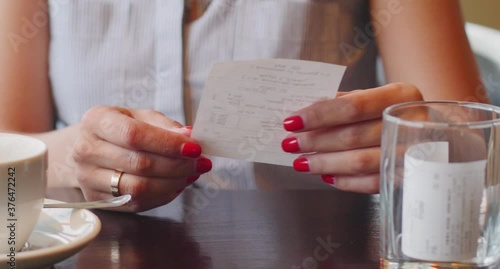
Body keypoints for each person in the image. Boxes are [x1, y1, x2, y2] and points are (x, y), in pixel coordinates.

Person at [0, 0, 487, 212]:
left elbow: (474, 137)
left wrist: (422, 141)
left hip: (326, 257)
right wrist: (78, 154)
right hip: (92, 261)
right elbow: (7, 151)